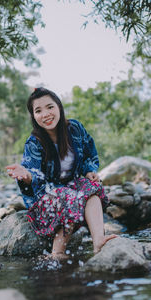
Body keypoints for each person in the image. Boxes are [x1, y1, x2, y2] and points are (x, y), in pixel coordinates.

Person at [6, 87, 117, 259]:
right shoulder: (34, 143)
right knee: (68, 195)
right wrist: (26, 175)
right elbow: (33, 174)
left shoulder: (74, 128)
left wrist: (89, 171)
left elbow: (88, 153)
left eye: (50, 107)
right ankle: (57, 253)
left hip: (70, 187)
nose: (46, 114)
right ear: (34, 116)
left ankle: (98, 242)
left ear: (59, 107)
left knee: (91, 188)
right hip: (47, 196)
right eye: (38, 111)